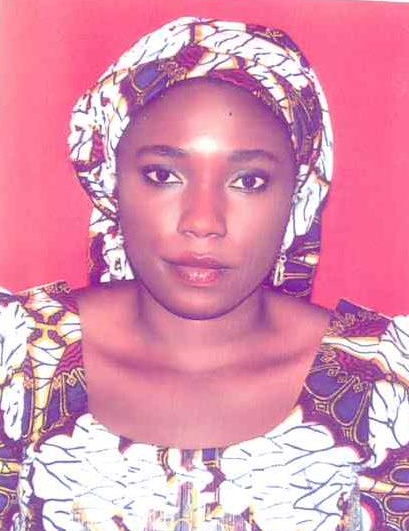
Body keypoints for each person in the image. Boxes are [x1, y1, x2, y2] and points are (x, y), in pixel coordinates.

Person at [0, 16, 408, 531]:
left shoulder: (386, 377)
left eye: (249, 181)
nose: (202, 222)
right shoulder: (19, 357)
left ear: (299, 194)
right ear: (110, 180)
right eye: (163, 175)